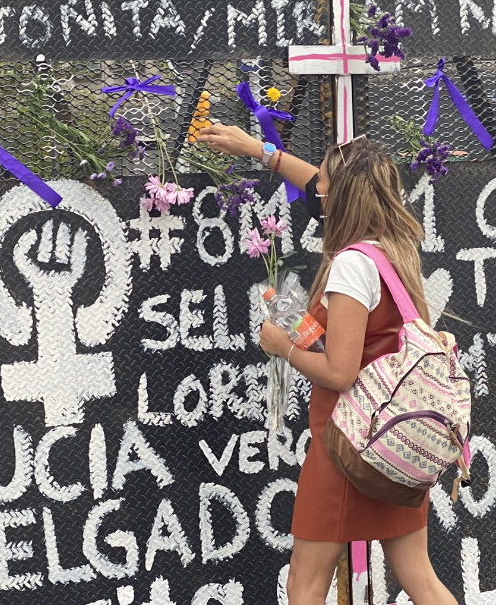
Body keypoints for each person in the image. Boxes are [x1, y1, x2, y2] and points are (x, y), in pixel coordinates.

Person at [196, 124, 457, 605]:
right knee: (419, 578)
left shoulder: (351, 266)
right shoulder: (393, 252)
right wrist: (261, 152)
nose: (316, 190)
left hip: (347, 446)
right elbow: (367, 341)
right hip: (395, 444)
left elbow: (340, 372)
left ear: (343, 198)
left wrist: (283, 346)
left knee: (305, 584)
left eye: (324, 185)